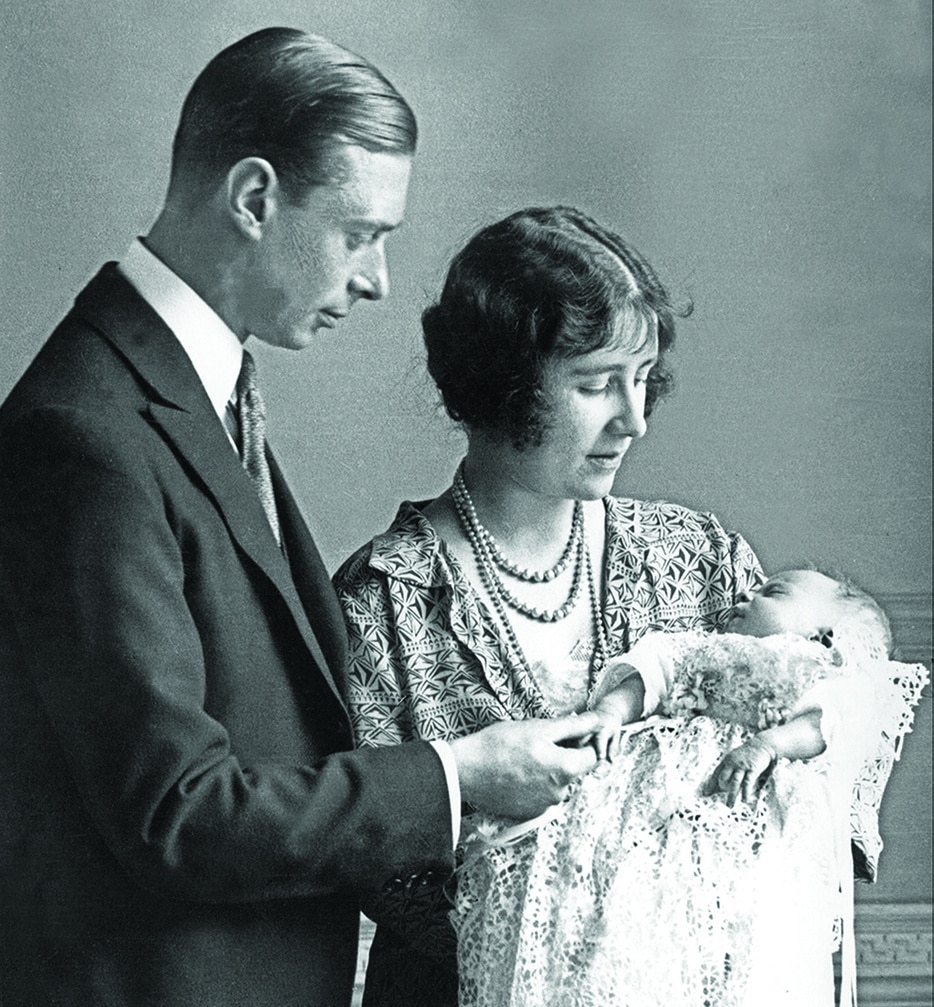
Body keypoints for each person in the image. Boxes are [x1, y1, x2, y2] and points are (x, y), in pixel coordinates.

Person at [0, 32, 602, 1007]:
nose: (376, 281)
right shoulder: (84, 437)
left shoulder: (194, 392)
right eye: (360, 234)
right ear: (251, 198)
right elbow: (180, 816)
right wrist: (457, 775)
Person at [333, 205, 766, 1006]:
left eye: (642, 380)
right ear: (504, 383)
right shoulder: (382, 601)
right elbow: (378, 863)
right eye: (598, 384)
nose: (633, 420)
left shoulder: (701, 560)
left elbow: (817, 734)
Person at [452, 569, 928, 1006]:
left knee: (733, 933)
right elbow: (656, 670)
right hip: (650, 795)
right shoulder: (708, 647)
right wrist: (612, 713)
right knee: (621, 898)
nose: (747, 595)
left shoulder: (814, 669)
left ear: (826, 636)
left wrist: (767, 746)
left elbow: (827, 724)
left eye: (774, 592)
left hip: (735, 806)